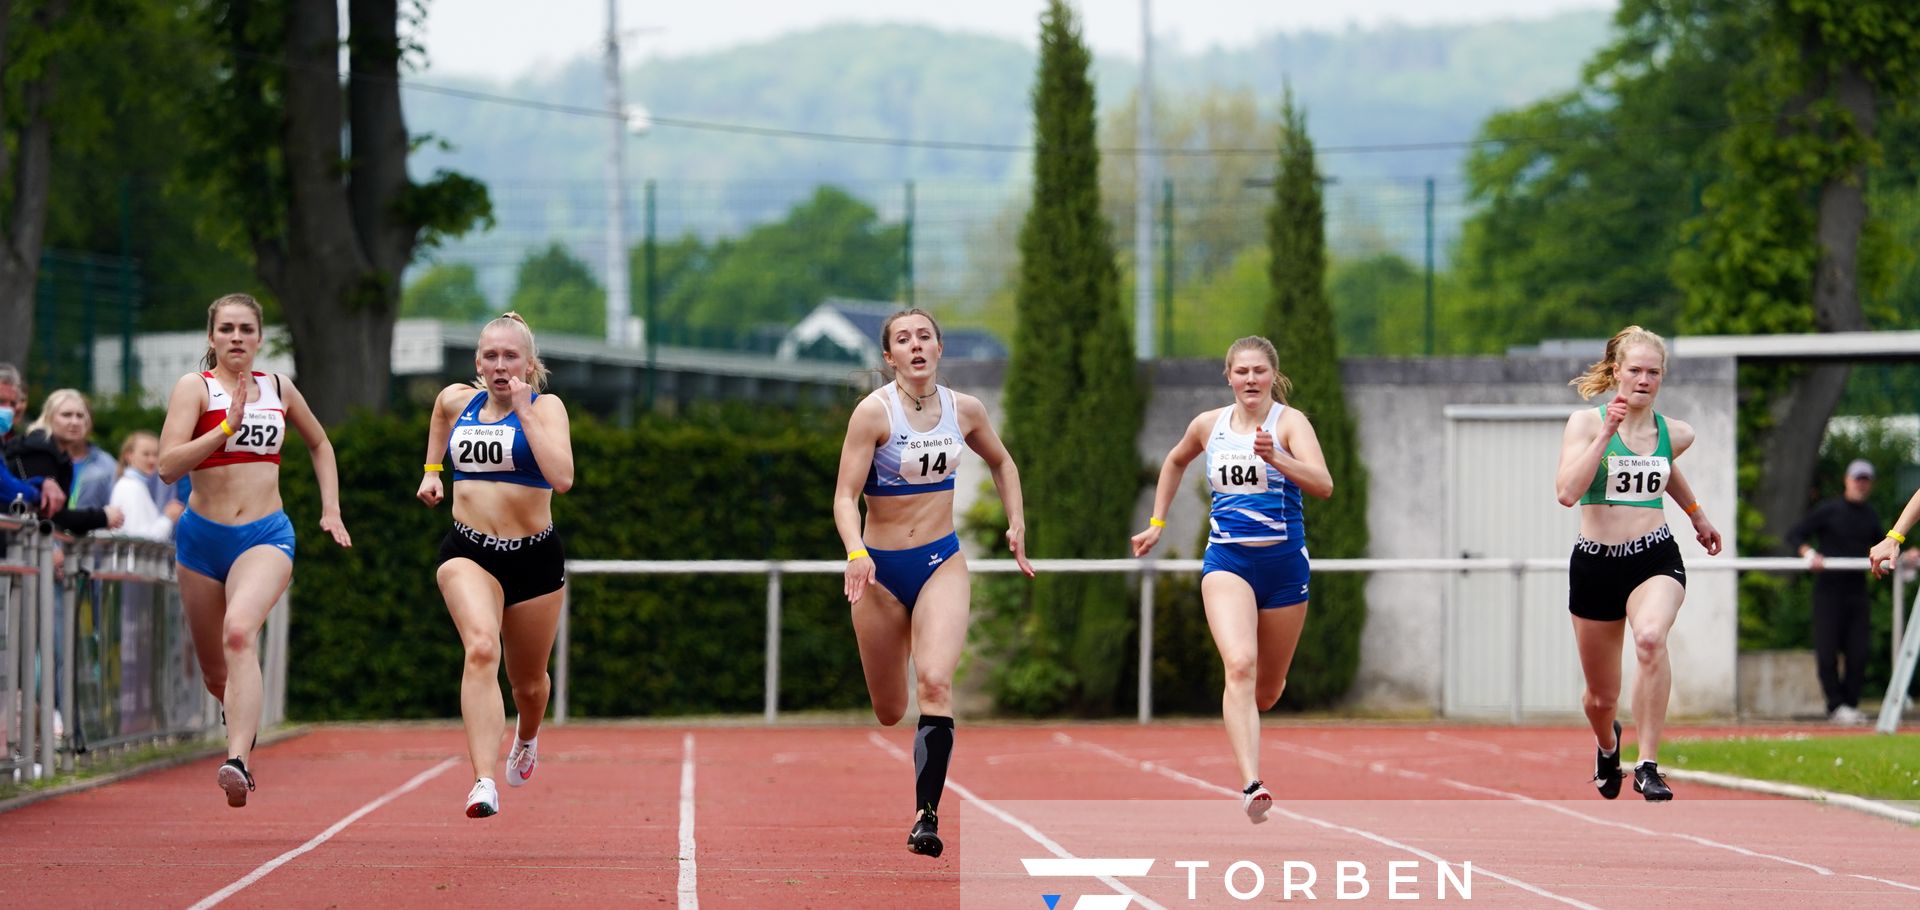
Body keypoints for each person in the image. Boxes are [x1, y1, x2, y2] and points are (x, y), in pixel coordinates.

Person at [833, 307, 1033, 857]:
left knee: (937, 683)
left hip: (940, 562)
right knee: (890, 709)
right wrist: (855, 552)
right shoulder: (872, 415)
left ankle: (927, 815)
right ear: (888, 356)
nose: (916, 345)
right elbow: (844, 497)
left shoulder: (964, 410)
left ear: (940, 349)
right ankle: (891, 652)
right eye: (904, 338)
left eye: (925, 336)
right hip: (878, 573)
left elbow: (1004, 463)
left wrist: (1016, 522)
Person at [158, 293, 352, 808]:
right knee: (214, 672)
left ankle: (238, 759)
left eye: (246, 329)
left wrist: (330, 508)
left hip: (265, 535)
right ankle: (239, 725)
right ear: (212, 337)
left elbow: (320, 443)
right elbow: (167, 466)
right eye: (227, 329)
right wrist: (225, 427)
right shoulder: (193, 389)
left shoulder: (280, 388)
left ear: (260, 338)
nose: (237, 337)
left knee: (240, 633)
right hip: (202, 539)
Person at [1130, 336, 1332, 823]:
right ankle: (1252, 784)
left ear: (1272, 375)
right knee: (1239, 664)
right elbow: (1176, 460)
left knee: (1266, 689)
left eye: (1259, 371)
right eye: (1241, 371)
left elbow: (1323, 484)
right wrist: (1157, 523)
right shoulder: (1208, 425)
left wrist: (1276, 457)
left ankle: (1258, 706)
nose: (1250, 379)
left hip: (1284, 569)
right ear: (1228, 376)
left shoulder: (1291, 423)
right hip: (1228, 564)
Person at [1554, 325, 1721, 802]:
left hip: (1653, 556)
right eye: (1635, 371)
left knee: (1650, 638)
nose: (1644, 380)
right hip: (1594, 565)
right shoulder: (1585, 425)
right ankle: (1608, 745)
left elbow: (1664, 467)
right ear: (1615, 372)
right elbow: (1566, 493)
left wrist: (1698, 516)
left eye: (1653, 372)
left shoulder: (1677, 433)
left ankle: (1648, 764)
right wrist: (1607, 431)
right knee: (1600, 699)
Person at [416, 313, 573, 819]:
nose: (500, 366)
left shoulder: (547, 408)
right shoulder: (457, 400)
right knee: (481, 648)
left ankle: (527, 736)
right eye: (491, 356)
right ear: (477, 363)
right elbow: (440, 416)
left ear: (529, 364)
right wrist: (433, 471)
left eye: (510, 357)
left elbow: (564, 478)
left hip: (535, 557)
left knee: (529, 684)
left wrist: (524, 413)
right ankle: (483, 780)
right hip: (468, 550)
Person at [1785, 459, 1882, 725]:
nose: (1861, 484)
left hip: (1857, 592)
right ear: (1847, 480)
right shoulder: (1829, 510)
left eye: (1866, 480)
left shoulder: (1870, 515)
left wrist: (1903, 555)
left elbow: (1881, 544)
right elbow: (1795, 534)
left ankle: (1849, 706)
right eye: (1857, 479)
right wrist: (1809, 553)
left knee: (1859, 652)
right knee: (1827, 652)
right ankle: (1836, 705)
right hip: (1828, 592)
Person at [7, 389, 124, 535]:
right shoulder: (40, 450)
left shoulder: (58, 453)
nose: (74, 422)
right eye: (66, 415)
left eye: (80, 416)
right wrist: (103, 517)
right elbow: (51, 514)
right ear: (49, 418)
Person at [111, 431, 186, 542]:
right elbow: (139, 538)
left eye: (155, 454)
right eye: (146, 454)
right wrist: (168, 518)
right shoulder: (130, 487)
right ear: (129, 456)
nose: (152, 460)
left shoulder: (135, 485)